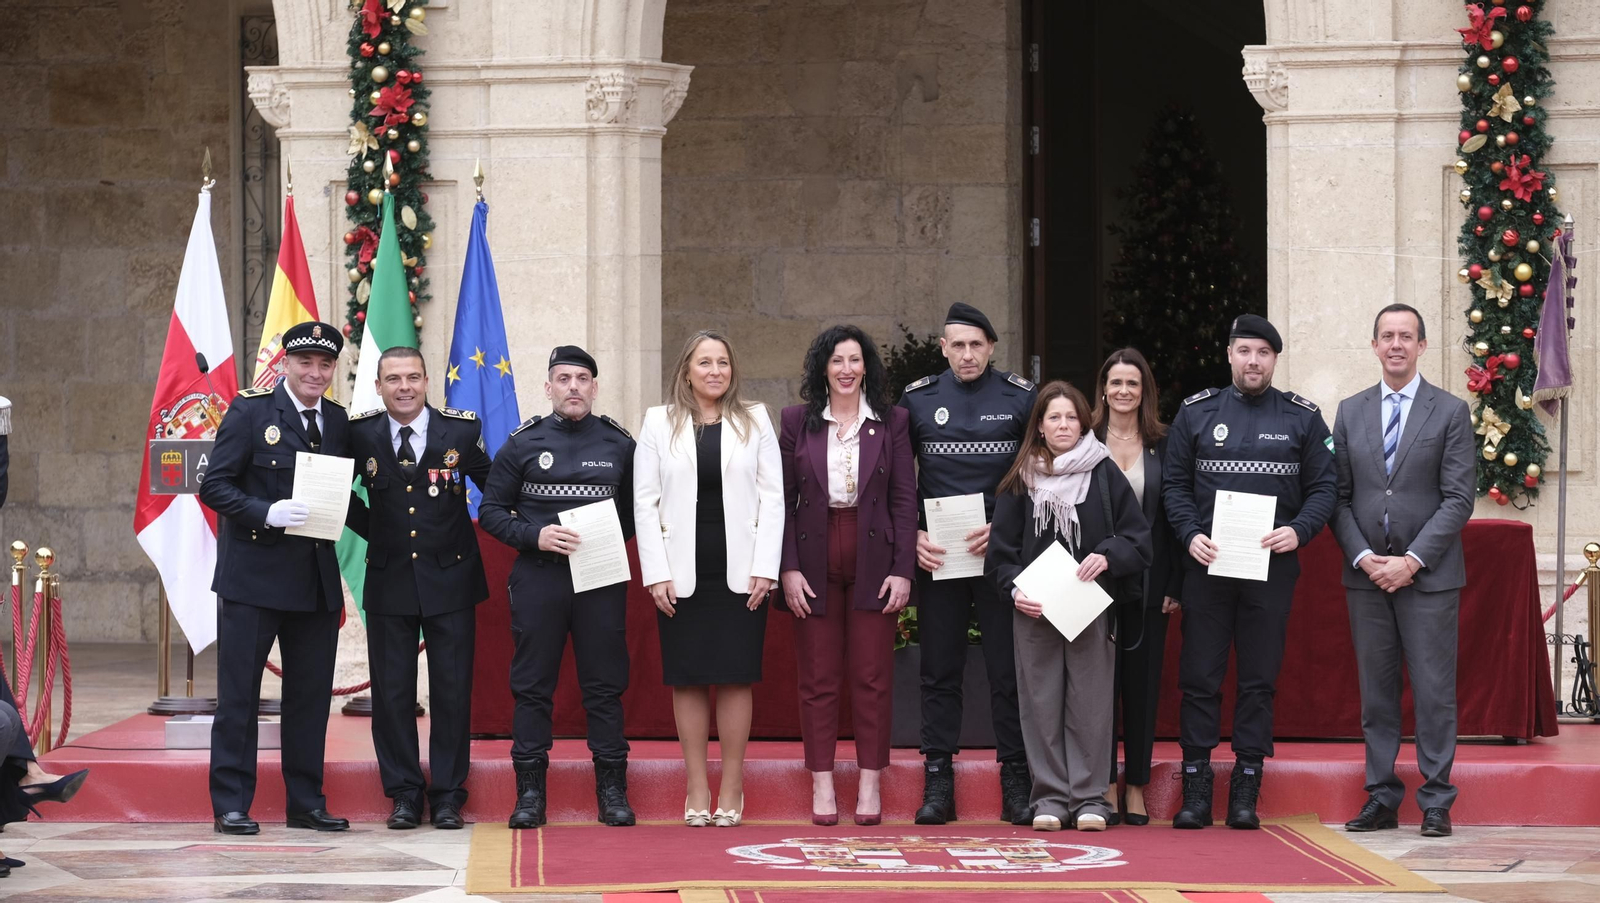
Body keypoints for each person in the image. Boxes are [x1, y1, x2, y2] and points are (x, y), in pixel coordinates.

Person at [1162, 313, 1336, 830]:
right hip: (1208, 566)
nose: (1253, 360)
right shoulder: (1196, 413)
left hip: (1272, 566)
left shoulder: (1303, 418)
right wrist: (1190, 533)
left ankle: (1245, 790)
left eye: (1262, 352)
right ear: (1229, 355)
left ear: (1275, 359)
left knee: (1259, 680)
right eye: (1244, 350)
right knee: (1200, 678)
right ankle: (1196, 788)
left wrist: (1299, 531)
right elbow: (1172, 486)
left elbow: (1326, 488)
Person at [200, 321, 363, 836]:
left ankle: (305, 801)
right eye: (305, 363)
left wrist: (402, 532)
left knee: (310, 700)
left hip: (313, 582)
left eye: (325, 365)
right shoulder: (250, 411)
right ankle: (231, 802)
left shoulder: (337, 421)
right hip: (252, 579)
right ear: (285, 364)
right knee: (240, 698)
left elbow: (350, 497)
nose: (315, 373)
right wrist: (264, 511)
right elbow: (214, 486)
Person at [479, 345, 638, 829]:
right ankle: (529, 795)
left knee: (604, 687)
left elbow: (635, 512)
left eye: (583, 378)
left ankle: (612, 791)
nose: (574, 387)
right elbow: (489, 511)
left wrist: (604, 543)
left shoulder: (619, 444)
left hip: (599, 580)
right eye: (564, 379)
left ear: (594, 386)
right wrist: (535, 535)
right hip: (539, 578)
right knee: (532, 687)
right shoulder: (523, 443)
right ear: (548, 387)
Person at [1331, 304, 1474, 839]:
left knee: (1435, 692)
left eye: (1406, 336)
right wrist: (1366, 558)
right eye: (1387, 336)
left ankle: (1436, 800)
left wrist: (1412, 560)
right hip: (1366, 578)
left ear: (1422, 346)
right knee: (1377, 694)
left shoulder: (1450, 412)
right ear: (1374, 346)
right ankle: (1382, 797)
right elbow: (1339, 499)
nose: (1396, 344)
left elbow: (1459, 499)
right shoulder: (1349, 411)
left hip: (1429, 578)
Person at [634, 330, 784, 827]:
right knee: (689, 677)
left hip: (741, 568)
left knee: (738, 675)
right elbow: (645, 501)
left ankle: (733, 785)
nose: (715, 370)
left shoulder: (755, 419)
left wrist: (766, 567)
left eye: (723, 362)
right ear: (687, 371)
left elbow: (773, 498)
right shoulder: (660, 421)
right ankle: (697, 784)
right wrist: (655, 573)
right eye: (705, 362)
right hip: (681, 568)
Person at [987, 381, 1151, 832]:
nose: (1063, 425)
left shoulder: (1103, 473)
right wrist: (1015, 591)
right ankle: (1050, 799)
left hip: (1089, 610)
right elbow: (1000, 554)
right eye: (1053, 417)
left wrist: (1108, 555)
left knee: (1092, 704)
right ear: (1038, 425)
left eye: (1071, 417)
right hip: (1034, 611)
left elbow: (1138, 541)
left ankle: (1091, 799)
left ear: (1084, 423)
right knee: (1040, 703)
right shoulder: (1020, 477)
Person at [898, 302, 1036, 826]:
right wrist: (911, 533)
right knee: (939, 669)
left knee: (1008, 669)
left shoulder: (1021, 398)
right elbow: (896, 481)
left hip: (1000, 554)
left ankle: (1016, 779)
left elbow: (1038, 475)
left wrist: (1003, 522)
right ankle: (938, 782)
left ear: (992, 347)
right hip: (941, 555)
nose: (967, 354)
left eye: (976, 344)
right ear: (943, 347)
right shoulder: (918, 400)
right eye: (957, 345)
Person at [347, 346, 493, 830]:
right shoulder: (360, 433)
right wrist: (378, 532)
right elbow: (335, 491)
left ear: (428, 381)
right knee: (391, 695)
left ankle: (448, 795)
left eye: (412, 377)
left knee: (451, 692)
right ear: (378, 386)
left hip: (452, 577)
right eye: (393, 379)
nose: (404, 387)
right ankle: (405, 794)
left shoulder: (462, 428)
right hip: (388, 579)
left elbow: (494, 486)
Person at [779, 325, 916, 827]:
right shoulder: (797, 421)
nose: (846, 369)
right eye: (836, 360)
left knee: (872, 675)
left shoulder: (893, 422)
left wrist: (904, 570)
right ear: (823, 368)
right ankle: (821, 782)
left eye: (855, 360)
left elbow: (905, 499)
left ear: (867, 368)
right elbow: (782, 503)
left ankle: (869, 782)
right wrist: (787, 567)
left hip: (875, 556)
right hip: (813, 556)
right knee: (817, 678)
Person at [1090, 348, 1182, 826]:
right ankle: (1104, 784)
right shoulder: (1084, 440)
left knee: (1142, 687)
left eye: (1133, 383)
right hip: (1094, 585)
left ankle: (1138, 787)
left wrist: (1172, 583)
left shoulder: (1164, 443)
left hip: (1149, 584)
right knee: (1099, 686)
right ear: (1103, 388)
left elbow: (1171, 520)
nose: (1123, 391)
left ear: (1144, 391)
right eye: (1116, 382)